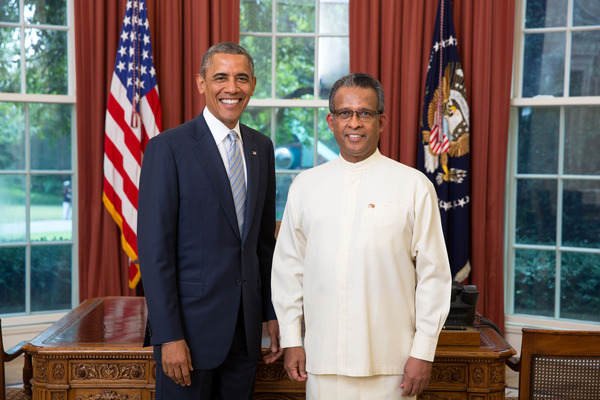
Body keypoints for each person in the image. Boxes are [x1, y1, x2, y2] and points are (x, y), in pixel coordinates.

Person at [271, 72, 452, 399]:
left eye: (365, 113)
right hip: (321, 360)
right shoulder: (305, 187)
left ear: (382, 121)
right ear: (331, 121)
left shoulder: (413, 186)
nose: (354, 123)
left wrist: (423, 351)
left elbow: (434, 276)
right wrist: (291, 340)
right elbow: (287, 270)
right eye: (345, 113)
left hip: (393, 364)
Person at [138, 42, 282, 400]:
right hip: (188, 335)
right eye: (220, 77)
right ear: (201, 83)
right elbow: (155, 254)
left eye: (241, 78)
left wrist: (270, 313)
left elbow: (263, 243)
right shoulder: (168, 148)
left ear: (252, 84)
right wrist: (168, 336)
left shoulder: (261, 147)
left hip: (245, 334)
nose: (231, 88)